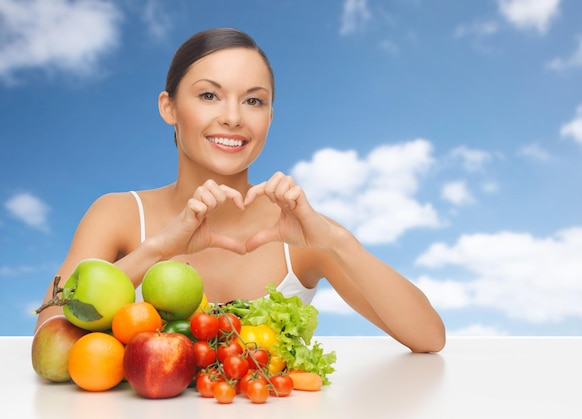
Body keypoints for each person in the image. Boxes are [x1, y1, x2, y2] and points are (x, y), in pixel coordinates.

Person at [35, 28, 445, 353]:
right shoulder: (118, 215)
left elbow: (429, 338)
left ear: (269, 116)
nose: (232, 117)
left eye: (253, 101)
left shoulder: (300, 232)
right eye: (209, 95)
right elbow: (51, 334)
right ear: (169, 107)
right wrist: (157, 250)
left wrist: (336, 242)